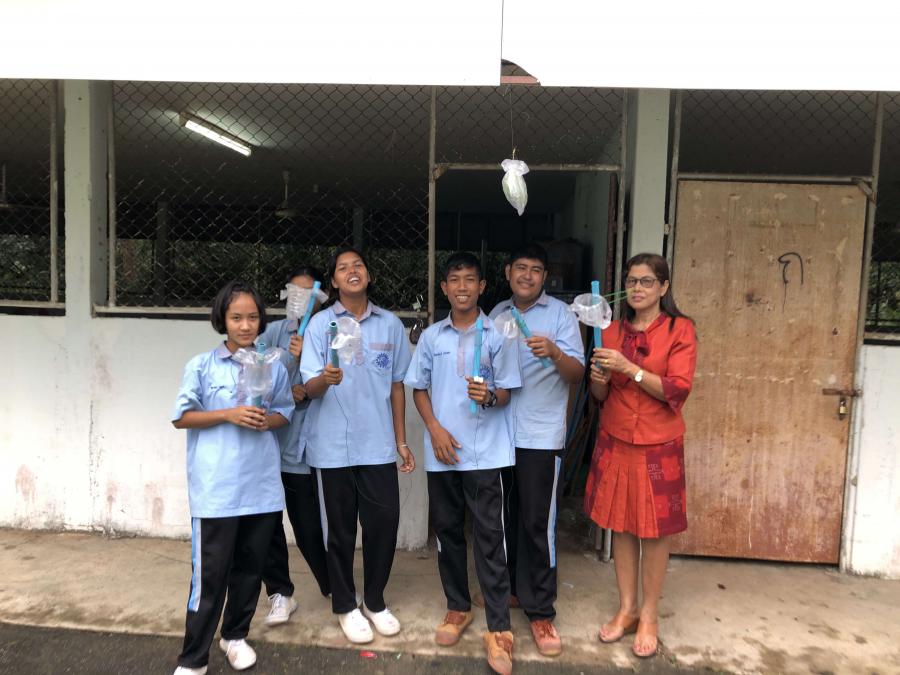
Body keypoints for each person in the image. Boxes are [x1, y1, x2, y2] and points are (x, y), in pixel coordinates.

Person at [405, 251, 522, 675]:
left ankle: (499, 628)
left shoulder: (497, 335)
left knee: (490, 539)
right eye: (454, 280)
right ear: (444, 287)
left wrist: (489, 396)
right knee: (448, 534)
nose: (461, 287)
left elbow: (507, 391)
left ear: (482, 287)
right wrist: (434, 429)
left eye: (470, 279)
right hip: (443, 454)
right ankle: (457, 607)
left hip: (485, 454)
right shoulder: (432, 337)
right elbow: (418, 387)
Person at [171, 280, 294, 675]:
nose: (245, 325)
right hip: (217, 490)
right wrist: (229, 414)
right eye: (236, 317)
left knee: (249, 571)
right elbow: (181, 417)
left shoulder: (272, 366)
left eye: (253, 317)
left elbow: (285, 412)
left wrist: (265, 420)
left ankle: (235, 636)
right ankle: (193, 658)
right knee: (209, 578)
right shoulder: (202, 366)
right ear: (222, 319)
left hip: (261, 487)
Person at [299, 247, 415, 644]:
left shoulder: (390, 325)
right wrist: (325, 379)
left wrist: (401, 441)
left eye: (358, 265)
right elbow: (309, 387)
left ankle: (375, 601)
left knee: (383, 525)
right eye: (343, 268)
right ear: (333, 281)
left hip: (377, 444)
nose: (352, 271)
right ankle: (346, 605)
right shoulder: (320, 326)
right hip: (332, 447)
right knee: (340, 531)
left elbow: (397, 385)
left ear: (369, 275)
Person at [585, 252, 697, 658]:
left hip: (658, 441)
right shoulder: (611, 331)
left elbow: (677, 389)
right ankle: (627, 608)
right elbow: (600, 395)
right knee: (622, 526)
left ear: (663, 287)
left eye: (647, 281)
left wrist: (628, 367)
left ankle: (649, 614)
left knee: (655, 531)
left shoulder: (680, 330)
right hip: (616, 437)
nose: (637, 288)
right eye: (632, 281)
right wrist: (599, 378)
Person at [488, 244, 585, 657]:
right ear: (508, 272)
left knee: (537, 523)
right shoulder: (497, 314)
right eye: (521, 268)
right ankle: (513, 589)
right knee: (505, 518)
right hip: (499, 435)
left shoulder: (560, 316)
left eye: (536, 270)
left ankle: (541, 610)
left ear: (545, 277)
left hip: (540, 437)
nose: (527, 275)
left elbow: (576, 373)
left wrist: (555, 352)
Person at [257, 266, 331, 627]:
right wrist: (290, 365)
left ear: (321, 298)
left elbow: (339, 382)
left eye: (309, 294)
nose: (301, 300)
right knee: (268, 525)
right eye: (295, 292)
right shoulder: (269, 333)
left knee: (310, 528)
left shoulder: (329, 331)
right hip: (273, 447)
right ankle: (280, 594)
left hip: (311, 448)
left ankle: (334, 587)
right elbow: (256, 385)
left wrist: (309, 380)